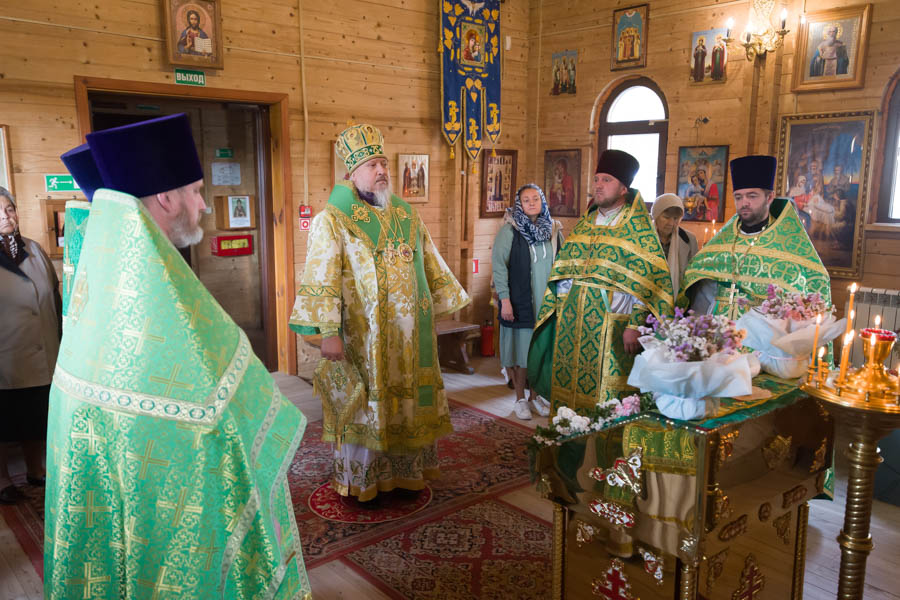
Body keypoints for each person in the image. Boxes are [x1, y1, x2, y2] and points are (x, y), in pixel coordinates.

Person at [45, 114, 311, 599]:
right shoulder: (147, 299)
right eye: (196, 190)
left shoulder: (110, 276)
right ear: (166, 198)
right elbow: (207, 413)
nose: (204, 204)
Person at [290, 123, 468, 502]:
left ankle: (405, 475)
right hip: (363, 339)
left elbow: (429, 262)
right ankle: (364, 481)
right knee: (366, 408)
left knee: (405, 407)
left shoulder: (406, 214)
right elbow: (321, 277)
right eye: (372, 165)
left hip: (409, 339)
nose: (382, 170)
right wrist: (328, 333)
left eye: (384, 163)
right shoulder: (333, 220)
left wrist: (435, 308)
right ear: (352, 173)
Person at [528, 150, 674, 412]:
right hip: (572, 326)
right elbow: (564, 272)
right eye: (596, 179)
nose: (598, 185)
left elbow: (650, 283)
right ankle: (566, 436)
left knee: (606, 399)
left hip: (612, 328)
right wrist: (560, 309)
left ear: (623, 188)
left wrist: (635, 324)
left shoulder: (637, 229)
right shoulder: (585, 224)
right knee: (568, 394)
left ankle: (606, 440)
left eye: (606, 180)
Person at [680, 155, 831, 319]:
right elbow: (702, 296)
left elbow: (814, 286)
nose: (744, 203)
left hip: (762, 332)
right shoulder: (721, 243)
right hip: (718, 331)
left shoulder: (789, 246)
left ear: (770, 197)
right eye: (738, 197)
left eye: (752, 196)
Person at [0, 187, 60, 504]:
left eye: (9, 209)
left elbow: (54, 293)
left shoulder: (34, 249)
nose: (5, 216)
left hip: (42, 349)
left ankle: (36, 471)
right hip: (6, 356)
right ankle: (2, 481)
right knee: (5, 422)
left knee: (36, 416)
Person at [492, 184, 563, 420]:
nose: (531, 203)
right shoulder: (509, 231)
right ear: (519, 204)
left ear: (542, 201)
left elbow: (562, 265)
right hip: (519, 301)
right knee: (521, 353)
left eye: (535, 198)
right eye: (526, 200)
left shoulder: (554, 230)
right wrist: (505, 301)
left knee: (540, 352)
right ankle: (520, 399)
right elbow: (499, 267)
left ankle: (535, 397)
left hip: (546, 302)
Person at [651, 193, 699, 295]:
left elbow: (694, 276)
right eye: (666, 217)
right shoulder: (644, 237)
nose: (671, 223)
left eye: (676, 218)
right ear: (656, 215)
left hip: (678, 299)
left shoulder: (689, 239)